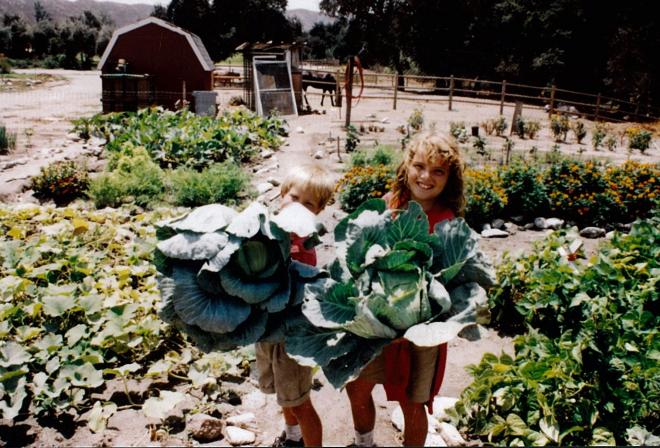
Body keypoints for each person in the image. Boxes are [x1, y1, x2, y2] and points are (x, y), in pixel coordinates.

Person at [345, 131, 465, 447]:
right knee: (357, 386)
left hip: (421, 331)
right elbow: (360, 254)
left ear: (449, 179)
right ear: (407, 166)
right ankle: (363, 442)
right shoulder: (388, 203)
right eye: (420, 166)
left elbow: (447, 283)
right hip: (375, 321)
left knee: (413, 401)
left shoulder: (447, 221)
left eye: (438, 171)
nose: (426, 177)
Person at [255, 163, 335, 447]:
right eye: (295, 197)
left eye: (309, 204)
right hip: (266, 327)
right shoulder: (266, 227)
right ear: (282, 194)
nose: (299, 207)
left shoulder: (302, 244)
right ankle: (292, 438)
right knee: (283, 393)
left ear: (318, 212)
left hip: (293, 335)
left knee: (299, 401)